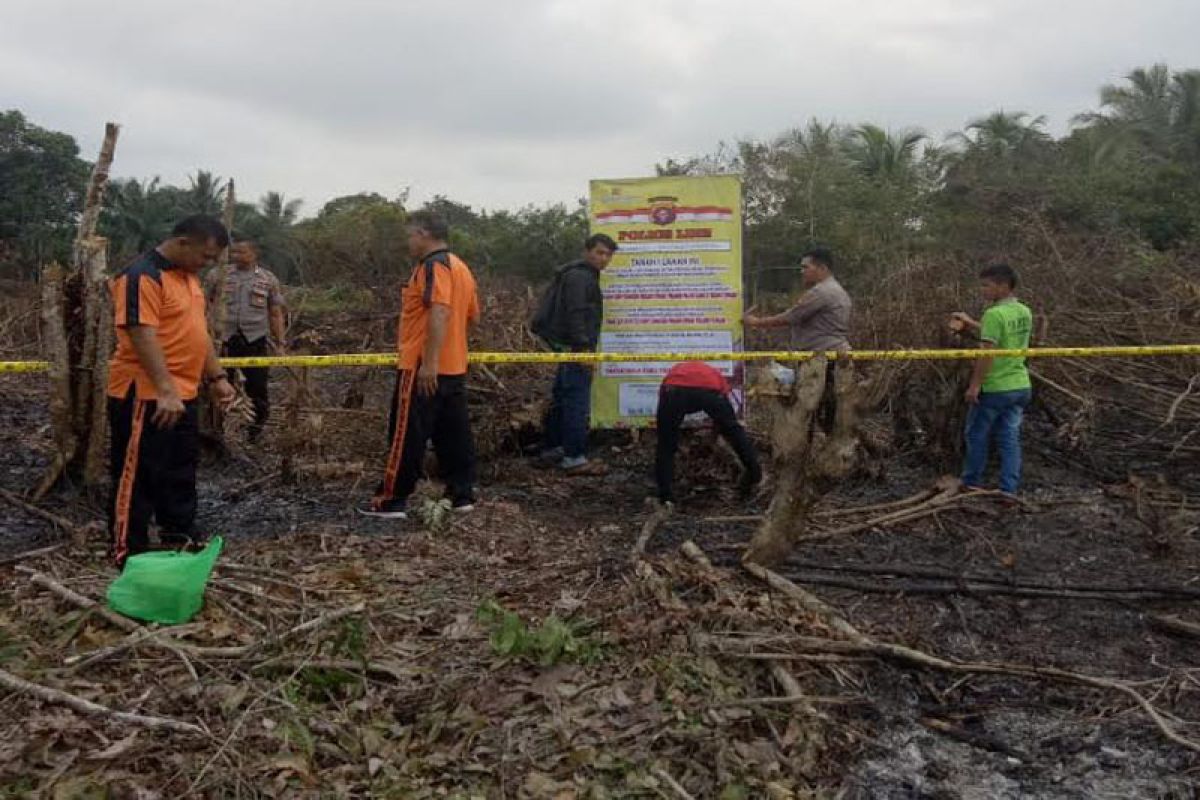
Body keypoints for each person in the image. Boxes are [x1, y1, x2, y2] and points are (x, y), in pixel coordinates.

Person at [107, 215, 236, 567]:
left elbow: (198, 332)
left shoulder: (188, 279)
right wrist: (165, 389)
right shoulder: (140, 276)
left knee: (180, 468)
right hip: (145, 394)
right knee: (138, 475)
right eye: (205, 256)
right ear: (182, 243)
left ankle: (179, 535)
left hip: (183, 392)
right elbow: (140, 331)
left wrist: (217, 377)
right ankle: (127, 549)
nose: (207, 265)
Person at [359, 211, 481, 519]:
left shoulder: (433, 266)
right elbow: (472, 316)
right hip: (453, 366)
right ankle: (461, 494)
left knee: (406, 434)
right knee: (453, 434)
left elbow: (439, 311)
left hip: (422, 367)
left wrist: (430, 361)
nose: (408, 241)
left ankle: (391, 499)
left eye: (411, 235)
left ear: (424, 233)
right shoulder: (461, 268)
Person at [745, 246, 851, 434]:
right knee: (827, 413)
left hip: (822, 362)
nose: (802, 272)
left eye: (805, 267)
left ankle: (810, 455)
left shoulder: (822, 292)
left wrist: (757, 322)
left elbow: (792, 316)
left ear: (822, 268)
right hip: (827, 359)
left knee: (808, 411)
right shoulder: (835, 290)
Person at [538, 233, 617, 475]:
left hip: (568, 346)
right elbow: (576, 314)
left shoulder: (576, 274)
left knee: (563, 395)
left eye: (608, 255)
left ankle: (556, 447)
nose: (603, 259)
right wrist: (583, 350)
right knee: (576, 400)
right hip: (576, 348)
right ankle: (573, 457)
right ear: (587, 251)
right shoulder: (581, 277)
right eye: (599, 252)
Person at [951, 263, 1033, 495]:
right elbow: (1001, 336)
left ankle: (970, 482)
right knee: (1009, 438)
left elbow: (987, 353)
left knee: (976, 435)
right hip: (1020, 386)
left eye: (987, 285)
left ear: (1003, 286)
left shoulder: (994, 314)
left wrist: (975, 386)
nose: (983, 290)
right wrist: (971, 322)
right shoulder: (1023, 311)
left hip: (995, 387)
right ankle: (1008, 489)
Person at [206, 238, 287, 442]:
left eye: (241, 252)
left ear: (254, 254)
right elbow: (202, 304)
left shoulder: (268, 279)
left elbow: (275, 313)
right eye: (233, 253)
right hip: (223, 340)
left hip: (255, 339)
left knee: (258, 387)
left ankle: (256, 429)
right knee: (217, 384)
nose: (236, 256)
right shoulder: (218, 276)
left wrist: (280, 343)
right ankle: (215, 430)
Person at [654, 361, 761, 504]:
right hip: (710, 390)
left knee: (665, 444)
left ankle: (665, 495)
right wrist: (721, 428)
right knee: (734, 432)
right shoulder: (715, 376)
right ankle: (754, 472)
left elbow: (664, 403)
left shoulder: (673, 376)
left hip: (673, 390)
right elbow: (724, 415)